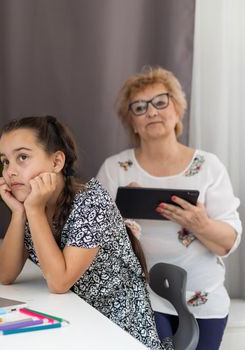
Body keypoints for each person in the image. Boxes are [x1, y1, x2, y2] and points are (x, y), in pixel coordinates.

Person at [97, 66, 242, 350]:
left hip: (204, 299)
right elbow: (91, 241)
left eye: (160, 102)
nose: (151, 112)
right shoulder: (115, 169)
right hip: (140, 296)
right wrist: (118, 220)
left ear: (177, 110)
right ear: (132, 123)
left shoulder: (208, 167)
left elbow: (228, 243)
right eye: (139, 107)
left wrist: (201, 223)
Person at [0, 115, 169, 349]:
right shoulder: (36, 203)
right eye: (5, 161)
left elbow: (59, 282)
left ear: (56, 162)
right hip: (76, 320)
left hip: (118, 330)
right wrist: (19, 213)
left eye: (22, 157)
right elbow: (5, 274)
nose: (10, 171)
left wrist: (32, 210)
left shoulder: (91, 202)